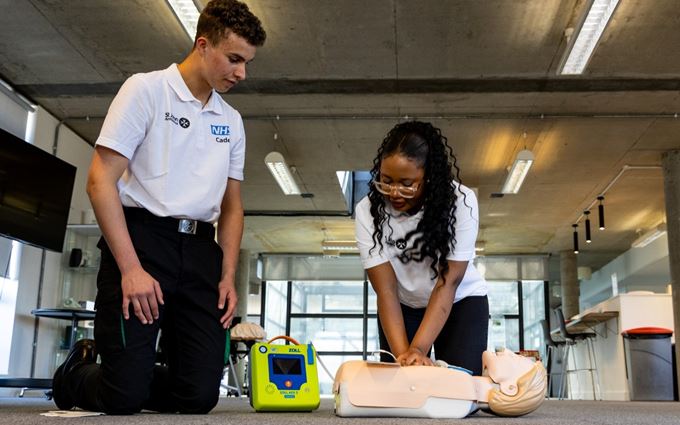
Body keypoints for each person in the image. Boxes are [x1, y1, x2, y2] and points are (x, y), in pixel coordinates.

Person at [51, 0, 266, 415]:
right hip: (143, 243)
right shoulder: (146, 90)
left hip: (202, 252)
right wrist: (130, 270)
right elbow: (100, 182)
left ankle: (136, 374)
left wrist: (227, 275)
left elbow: (233, 206)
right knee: (122, 398)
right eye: (235, 59)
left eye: (247, 62)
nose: (242, 73)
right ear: (203, 45)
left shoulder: (231, 120)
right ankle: (74, 374)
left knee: (199, 397)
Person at [355, 121, 489, 375]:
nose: (394, 192)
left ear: (429, 177)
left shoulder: (461, 202)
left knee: (460, 390)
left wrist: (418, 349)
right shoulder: (367, 211)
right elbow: (386, 290)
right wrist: (405, 356)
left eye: (407, 183)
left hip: (460, 301)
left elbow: (447, 283)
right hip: (403, 306)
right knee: (401, 387)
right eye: (386, 181)